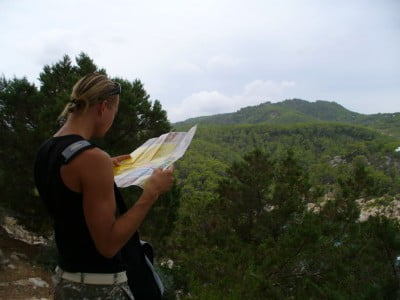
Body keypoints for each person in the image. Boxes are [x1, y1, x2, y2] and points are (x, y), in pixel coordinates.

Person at [34, 73, 174, 299]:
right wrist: (151, 193)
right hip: (99, 287)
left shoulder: (48, 150)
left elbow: (68, 199)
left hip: (66, 280)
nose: (112, 120)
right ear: (103, 107)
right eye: (114, 113)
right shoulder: (91, 158)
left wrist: (103, 167)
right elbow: (108, 245)